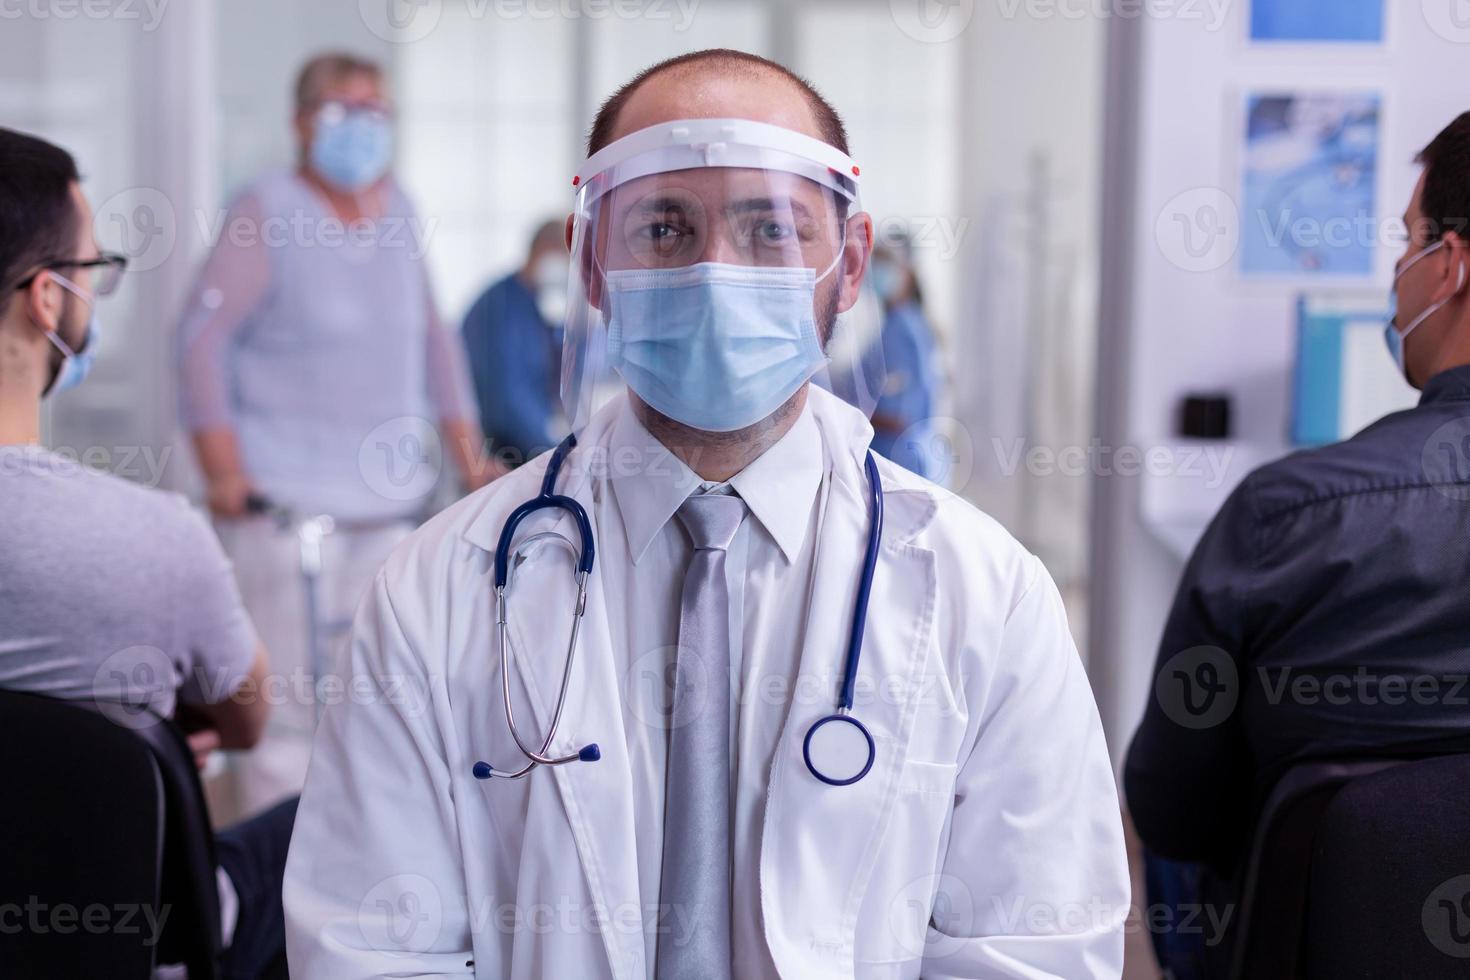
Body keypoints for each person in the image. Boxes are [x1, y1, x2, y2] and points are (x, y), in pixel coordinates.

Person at [284, 49, 1128, 979]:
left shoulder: (990, 596)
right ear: (595, 266)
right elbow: (370, 950)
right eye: (664, 228)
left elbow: (1031, 952)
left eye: (771, 229)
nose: (715, 275)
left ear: (849, 268)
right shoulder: (435, 589)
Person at [1126, 111, 1470, 973]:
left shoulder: (1282, 518)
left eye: (1408, 240)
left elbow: (1172, 807)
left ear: (1452, 264)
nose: (1400, 271)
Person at [0, 126, 296, 980]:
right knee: (311, 823)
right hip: (126, 943)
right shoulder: (155, 538)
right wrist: (149, 736)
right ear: (47, 300)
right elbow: (245, 719)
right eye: (95, 271)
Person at [176, 52, 495, 815]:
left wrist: (472, 458)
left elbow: (433, 341)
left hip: (387, 511)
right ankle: (275, 908)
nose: (364, 127)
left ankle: (363, 885)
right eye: (344, 109)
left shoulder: (399, 210)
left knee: (384, 704)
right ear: (301, 121)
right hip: (286, 510)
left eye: (376, 111)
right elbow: (199, 341)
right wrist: (222, 470)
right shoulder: (267, 208)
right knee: (289, 714)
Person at [462, 219, 569, 466]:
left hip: (532, 442)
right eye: (564, 259)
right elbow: (507, 400)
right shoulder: (498, 307)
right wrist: (551, 452)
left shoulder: (540, 306)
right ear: (542, 253)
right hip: (499, 451)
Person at [866, 230, 946, 480]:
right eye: (876, 261)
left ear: (906, 272)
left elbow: (901, 413)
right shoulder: (906, 324)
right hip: (911, 458)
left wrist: (849, 412)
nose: (877, 270)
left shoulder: (902, 330)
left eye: (885, 262)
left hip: (899, 460)